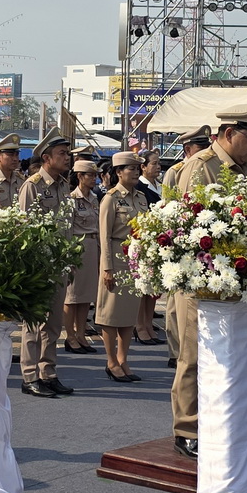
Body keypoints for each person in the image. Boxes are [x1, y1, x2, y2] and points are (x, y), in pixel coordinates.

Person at [164, 103, 247, 456]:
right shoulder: (201, 166)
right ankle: (187, 428)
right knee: (193, 355)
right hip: (199, 279)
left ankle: (220, 420)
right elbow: (188, 224)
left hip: (233, 277)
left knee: (228, 356)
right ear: (227, 134)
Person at [14, 131, 76, 399]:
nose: (68, 158)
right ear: (47, 158)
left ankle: (48, 373)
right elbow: (25, 229)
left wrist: (70, 261)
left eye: (68, 153)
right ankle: (29, 375)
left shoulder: (63, 185)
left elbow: (68, 227)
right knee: (33, 324)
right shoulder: (33, 185)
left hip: (59, 263)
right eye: (62, 154)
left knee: (53, 324)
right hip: (39, 265)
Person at [96, 151, 149, 382]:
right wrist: (107, 267)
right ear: (118, 172)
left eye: (138, 168)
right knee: (111, 314)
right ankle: (111, 361)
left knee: (128, 314)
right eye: (131, 168)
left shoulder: (141, 198)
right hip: (116, 257)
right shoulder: (111, 198)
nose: (136, 172)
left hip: (135, 259)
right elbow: (104, 236)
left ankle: (123, 359)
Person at [63, 159, 101, 353]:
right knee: (72, 296)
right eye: (90, 175)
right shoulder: (71, 199)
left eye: (95, 175)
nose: (94, 179)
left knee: (86, 295)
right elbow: (68, 228)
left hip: (92, 246)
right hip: (76, 247)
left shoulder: (95, 199)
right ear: (79, 176)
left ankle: (80, 334)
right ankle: (69, 335)